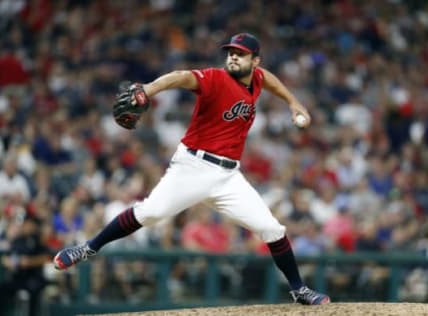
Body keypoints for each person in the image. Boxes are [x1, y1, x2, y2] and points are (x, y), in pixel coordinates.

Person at [53, 33, 330, 305]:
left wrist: (294, 102)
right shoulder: (216, 78)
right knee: (150, 213)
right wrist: (149, 89)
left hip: (229, 176)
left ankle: (299, 290)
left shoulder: (256, 78)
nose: (233, 56)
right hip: (193, 167)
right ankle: (87, 248)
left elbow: (268, 79)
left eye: (241, 53)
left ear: (255, 61)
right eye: (231, 52)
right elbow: (181, 76)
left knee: (272, 229)